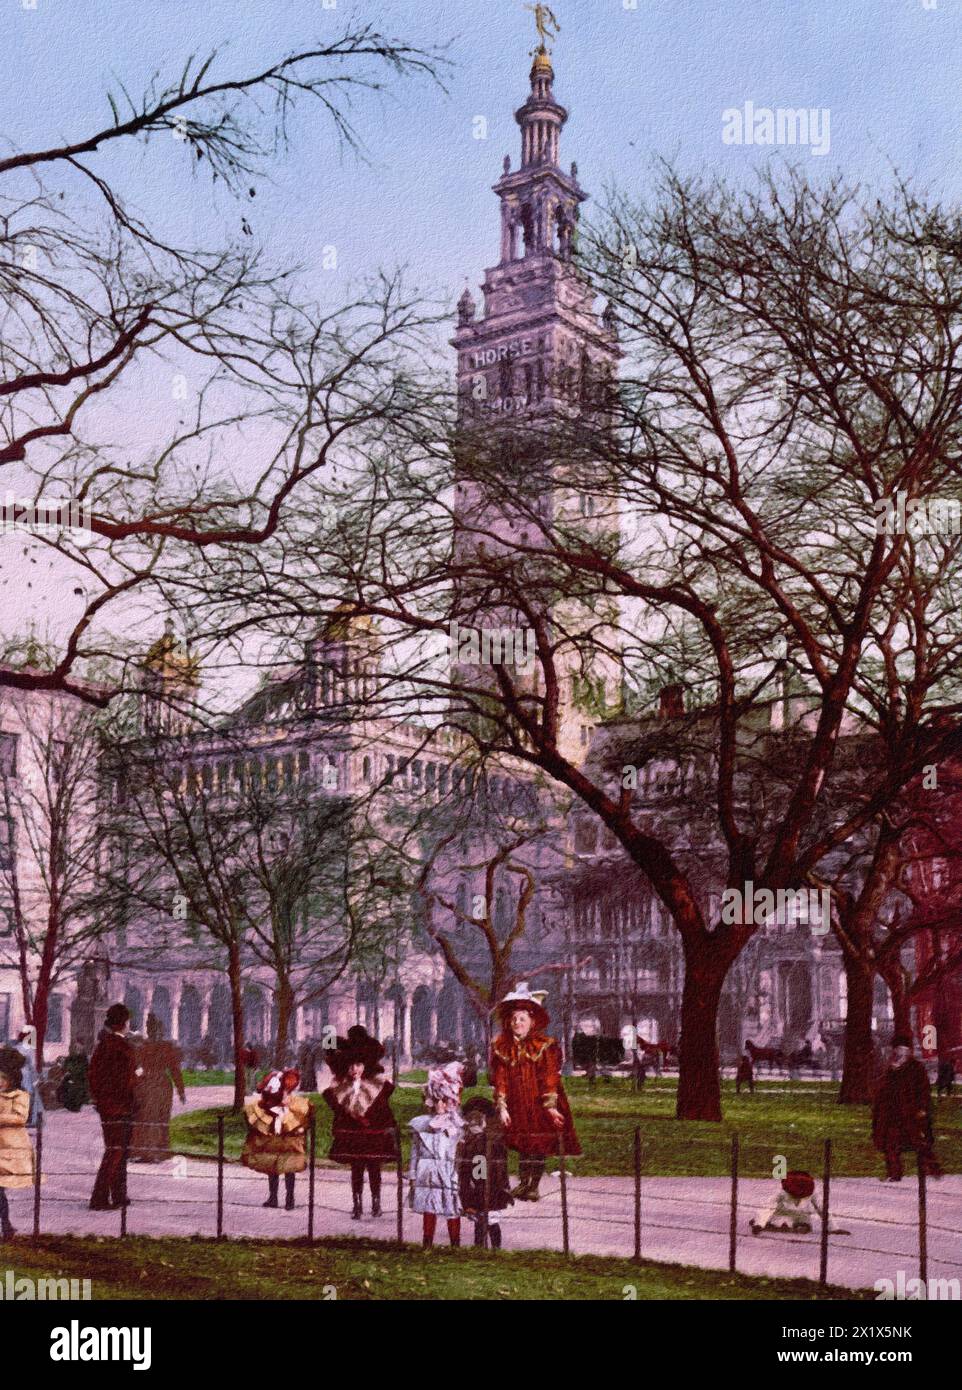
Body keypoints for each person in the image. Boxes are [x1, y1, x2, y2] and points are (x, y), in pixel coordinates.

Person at [489, 983, 581, 1202]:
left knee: (537, 1144)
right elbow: (500, 1078)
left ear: (532, 1022)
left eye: (522, 1019)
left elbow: (549, 1077)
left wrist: (550, 1106)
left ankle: (534, 1185)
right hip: (517, 1103)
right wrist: (501, 1105)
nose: (517, 1023)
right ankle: (523, 1183)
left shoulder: (544, 1046)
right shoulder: (503, 1047)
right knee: (522, 1144)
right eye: (513, 1019)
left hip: (538, 1103)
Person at [322, 1025, 396, 1220]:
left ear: (366, 1066)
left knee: (374, 1168)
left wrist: (378, 1124)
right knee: (356, 1168)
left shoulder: (378, 1086)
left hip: (372, 1134)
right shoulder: (340, 1087)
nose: (355, 1069)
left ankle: (376, 1202)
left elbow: (383, 1111)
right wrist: (347, 1116)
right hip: (354, 1135)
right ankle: (357, 1204)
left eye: (359, 1065)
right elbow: (336, 1106)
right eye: (352, 1066)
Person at [88, 1003, 140, 1211]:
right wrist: (137, 1076)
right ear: (123, 1023)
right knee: (117, 1151)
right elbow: (125, 1077)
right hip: (120, 1105)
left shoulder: (102, 1045)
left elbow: (94, 1075)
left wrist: (100, 1097)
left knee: (117, 1150)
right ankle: (101, 1196)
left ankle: (118, 1194)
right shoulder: (120, 1047)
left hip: (108, 1104)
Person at [872, 1033, 942, 1182]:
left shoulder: (916, 1068)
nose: (899, 1053)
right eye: (897, 1051)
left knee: (920, 1144)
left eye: (903, 1050)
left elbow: (923, 1090)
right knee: (891, 1145)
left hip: (911, 1114)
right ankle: (894, 1174)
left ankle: (934, 1170)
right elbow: (883, 1090)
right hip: (892, 1114)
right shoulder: (890, 1068)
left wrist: (922, 1108)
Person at [408, 1062, 464, 1247]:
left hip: (448, 1172)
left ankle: (455, 1242)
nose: (440, 1105)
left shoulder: (456, 1127)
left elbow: (460, 1154)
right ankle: (427, 1241)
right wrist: (413, 1175)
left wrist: (461, 1174)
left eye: (445, 1100)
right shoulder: (422, 1125)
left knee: (451, 1205)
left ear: (452, 1102)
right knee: (429, 1206)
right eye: (437, 1100)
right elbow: (415, 1152)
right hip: (428, 1172)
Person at [241, 1069, 309, 1210]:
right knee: (272, 1162)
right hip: (273, 1123)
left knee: (290, 1163)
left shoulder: (294, 1104)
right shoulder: (273, 1083)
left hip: (287, 1126)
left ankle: (290, 1198)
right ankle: (273, 1197)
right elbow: (263, 1092)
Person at [457, 1095, 513, 1248]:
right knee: (482, 1219)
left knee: (488, 1219)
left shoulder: (487, 1140)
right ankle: (484, 1248)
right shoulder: (479, 1139)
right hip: (483, 1182)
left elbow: (480, 1169)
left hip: (489, 1184)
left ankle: (491, 1248)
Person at [129, 1014, 186, 1162]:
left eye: (152, 1028)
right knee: (150, 1117)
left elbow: (174, 1069)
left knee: (154, 1117)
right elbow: (136, 1067)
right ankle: (152, 1151)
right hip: (155, 1083)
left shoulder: (153, 1047)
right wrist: (180, 1090)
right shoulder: (151, 1047)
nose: (151, 1031)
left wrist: (181, 1090)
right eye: (150, 1028)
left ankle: (153, 1151)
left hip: (153, 1084)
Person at [0, 1045, 36, 1240]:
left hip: (8, 1150)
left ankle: (6, 1226)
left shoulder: (20, 1096)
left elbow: (20, 1118)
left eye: (3, 1079)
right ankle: (6, 1226)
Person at [749, 1170, 848, 1236]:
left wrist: (834, 1228)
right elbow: (767, 1208)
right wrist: (759, 1224)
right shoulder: (780, 1192)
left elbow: (822, 1209)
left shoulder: (813, 1192)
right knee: (777, 1222)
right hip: (779, 1214)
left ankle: (795, 1225)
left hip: (801, 1217)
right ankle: (764, 1222)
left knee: (803, 1226)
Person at [6, 1027, 43, 1129]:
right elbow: (32, 1066)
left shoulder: (16, 1048)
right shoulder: (30, 1049)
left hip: (15, 1075)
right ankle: (28, 1117)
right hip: (26, 1075)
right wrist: (36, 1077)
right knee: (30, 1094)